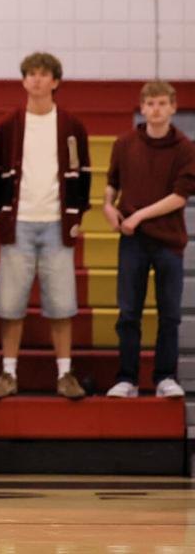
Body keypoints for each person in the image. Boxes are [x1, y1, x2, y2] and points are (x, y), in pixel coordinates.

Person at [0, 52, 90, 400]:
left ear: (55, 81)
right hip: (19, 225)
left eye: (44, 74)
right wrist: (2, 215)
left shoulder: (72, 125)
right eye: (31, 74)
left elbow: (84, 175)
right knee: (11, 305)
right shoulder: (8, 125)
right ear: (24, 80)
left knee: (62, 306)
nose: (38, 80)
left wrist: (75, 216)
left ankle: (65, 374)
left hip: (57, 226)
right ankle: (9, 373)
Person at [104, 81, 195, 399]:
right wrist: (107, 206)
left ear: (172, 107)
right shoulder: (124, 143)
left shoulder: (185, 147)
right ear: (142, 108)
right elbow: (112, 183)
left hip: (169, 241)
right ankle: (127, 378)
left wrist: (139, 215)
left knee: (169, 313)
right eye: (150, 104)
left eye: (162, 103)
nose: (155, 109)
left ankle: (165, 376)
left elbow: (180, 197)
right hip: (132, 241)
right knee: (128, 312)